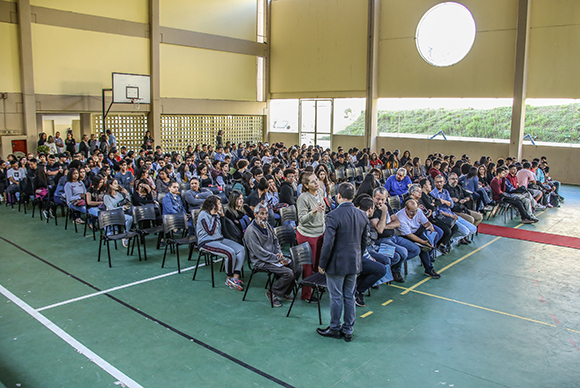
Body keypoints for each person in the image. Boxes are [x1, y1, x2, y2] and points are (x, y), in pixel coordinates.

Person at [316, 183, 368, 342]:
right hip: (354, 262)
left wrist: (322, 264)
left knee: (336, 297)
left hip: (336, 264)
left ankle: (334, 328)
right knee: (349, 296)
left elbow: (328, 243)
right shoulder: (362, 215)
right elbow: (364, 242)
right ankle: (348, 329)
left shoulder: (333, 215)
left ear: (339, 196)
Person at [244, 204, 302, 307]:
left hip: (273, 258)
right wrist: (277, 259)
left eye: (266, 213)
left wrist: (279, 253)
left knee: (297, 267)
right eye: (262, 214)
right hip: (261, 261)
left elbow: (275, 241)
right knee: (288, 273)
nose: (265, 216)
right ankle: (272, 292)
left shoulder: (266, 225)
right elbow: (259, 252)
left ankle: (285, 292)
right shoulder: (251, 231)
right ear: (255, 214)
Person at [196, 195, 246, 291]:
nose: (220, 205)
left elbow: (224, 228)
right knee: (230, 252)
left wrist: (222, 216)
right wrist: (215, 216)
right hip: (207, 241)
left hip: (219, 239)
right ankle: (229, 279)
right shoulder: (203, 214)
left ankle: (235, 277)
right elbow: (210, 231)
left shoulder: (217, 214)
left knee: (241, 249)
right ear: (212, 205)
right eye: (218, 203)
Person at [296, 171, 326, 303]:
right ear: (306, 185)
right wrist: (313, 212)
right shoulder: (303, 198)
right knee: (308, 267)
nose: (317, 182)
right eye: (313, 181)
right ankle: (306, 294)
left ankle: (317, 284)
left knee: (319, 263)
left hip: (320, 232)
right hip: (307, 235)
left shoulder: (320, 192)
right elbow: (302, 219)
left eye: (316, 179)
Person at [395, 200, 441, 278]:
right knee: (423, 247)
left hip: (417, 231)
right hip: (405, 235)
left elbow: (425, 222)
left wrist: (430, 226)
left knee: (436, 235)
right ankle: (429, 268)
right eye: (412, 212)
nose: (414, 213)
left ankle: (428, 258)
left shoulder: (418, 211)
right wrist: (423, 242)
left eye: (416, 211)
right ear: (406, 209)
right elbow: (409, 235)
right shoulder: (400, 217)